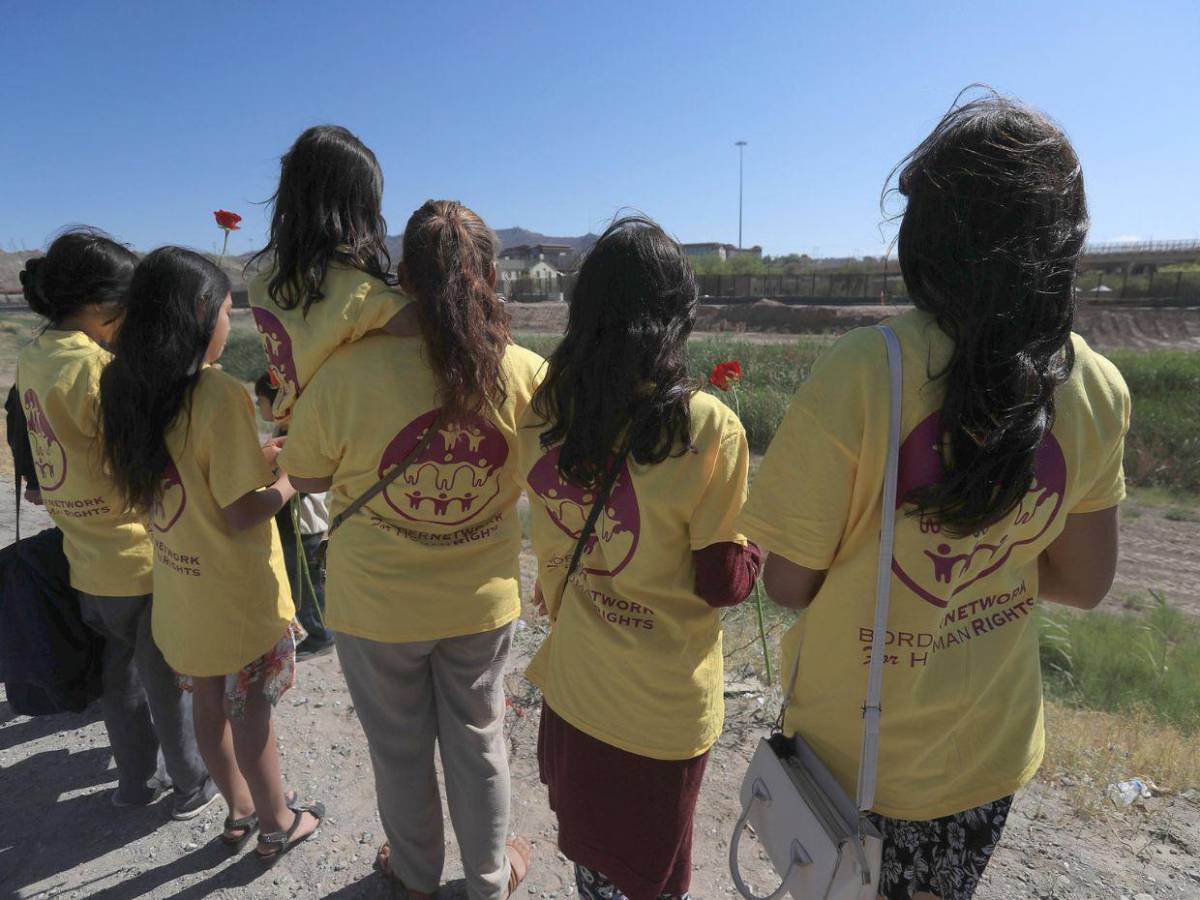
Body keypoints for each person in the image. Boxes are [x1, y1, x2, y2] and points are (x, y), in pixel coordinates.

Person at [737, 91, 1130, 900]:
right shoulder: (1094, 385)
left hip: (856, 758)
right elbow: (1087, 584)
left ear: (930, 238)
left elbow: (786, 583)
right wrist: (990, 564)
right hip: (990, 751)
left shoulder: (865, 370)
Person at [280, 200, 541, 899]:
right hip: (480, 604)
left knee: (397, 751)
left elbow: (302, 474)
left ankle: (417, 876)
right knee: (480, 740)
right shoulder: (521, 372)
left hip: (374, 606)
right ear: (489, 274)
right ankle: (488, 879)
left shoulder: (345, 371)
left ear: (403, 276)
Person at [519, 216, 761, 900]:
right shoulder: (707, 428)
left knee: (594, 860)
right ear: (678, 318)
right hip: (659, 712)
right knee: (652, 878)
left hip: (577, 685)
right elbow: (720, 582)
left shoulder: (546, 409)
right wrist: (759, 547)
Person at [98, 247, 323, 860]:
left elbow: (190, 478)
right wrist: (291, 479)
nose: (232, 322)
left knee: (208, 704)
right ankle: (279, 822)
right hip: (238, 596)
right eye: (228, 309)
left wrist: (260, 458)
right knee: (253, 713)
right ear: (200, 314)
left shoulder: (125, 386)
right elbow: (238, 510)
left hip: (181, 595)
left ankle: (239, 811)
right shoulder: (218, 395)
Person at [16, 229, 214, 818]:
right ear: (105, 306)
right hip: (140, 557)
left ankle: (134, 784)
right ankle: (190, 785)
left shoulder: (37, 354)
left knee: (118, 684)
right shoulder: (98, 371)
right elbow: (143, 454)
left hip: (85, 558)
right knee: (166, 685)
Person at [247, 124, 418, 423]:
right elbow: (426, 327)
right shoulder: (360, 296)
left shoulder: (262, 287)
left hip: (300, 435)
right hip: (345, 446)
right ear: (362, 211)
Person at [254, 372, 333, 658]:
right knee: (298, 576)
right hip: (291, 520)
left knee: (306, 581)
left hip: (303, 524)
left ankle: (321, 633)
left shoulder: (299, 435)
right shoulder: (282, 434)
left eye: (261, 400)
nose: (260, 407)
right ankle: (316, 629)